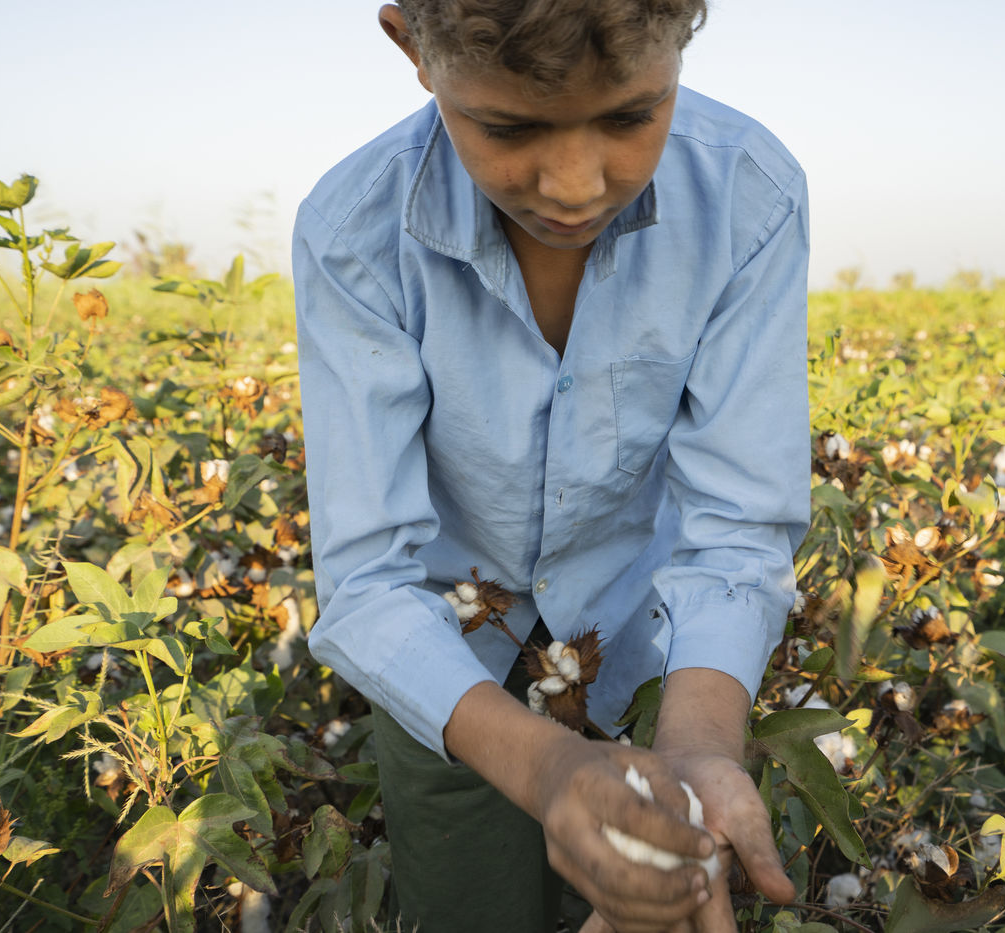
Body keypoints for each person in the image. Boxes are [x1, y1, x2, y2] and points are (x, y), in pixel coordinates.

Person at [293, 1, 809, 930]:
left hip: (651, 650)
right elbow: (367, 579)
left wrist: (696, 746)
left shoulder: (748, 195)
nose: (574, 185)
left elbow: (738, 528)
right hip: (444, 663)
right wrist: (545, 764)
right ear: (413, 48)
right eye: (509, 128)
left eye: (630, 115)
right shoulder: (354, 230)